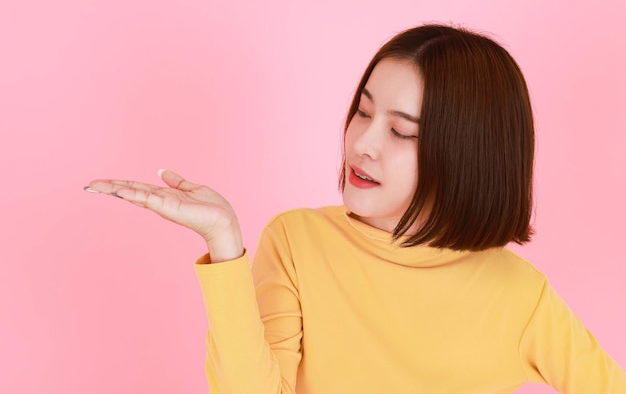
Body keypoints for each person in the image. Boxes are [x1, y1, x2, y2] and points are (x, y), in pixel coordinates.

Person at [86, 24, 626, 393]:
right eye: (362, 112)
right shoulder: (297, 241)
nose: (363, 143)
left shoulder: (519, 293)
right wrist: (225, 244)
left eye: (400, 131)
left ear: (466, 154)